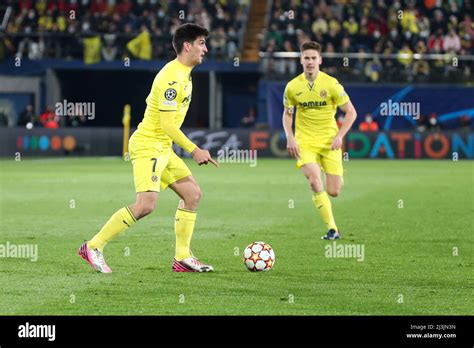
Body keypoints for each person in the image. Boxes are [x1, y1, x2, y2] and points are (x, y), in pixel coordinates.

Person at [79, 23, 218, 273]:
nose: (205, 49)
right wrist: (194, 149)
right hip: (148, 146)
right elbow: (166, 124)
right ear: (187, 46)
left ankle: (183, 257)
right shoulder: (171, 78)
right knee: (145, 205)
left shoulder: (185, 73)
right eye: (201, 43)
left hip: (162, 147)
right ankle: (93, 246)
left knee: (192, 195)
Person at [282, 41, 357, 240]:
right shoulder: (292, 87)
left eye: (314, 58)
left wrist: (340, 136)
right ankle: (332, 229)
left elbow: (351, 112)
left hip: (329, 142)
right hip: (305, 142)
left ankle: (330, 171)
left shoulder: (331, 84)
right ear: (301, 60)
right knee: (315, 181)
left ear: (320, 60)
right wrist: (290, 137)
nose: (310, 62)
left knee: (334, 191)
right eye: (306, 58)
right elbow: (288, 114)